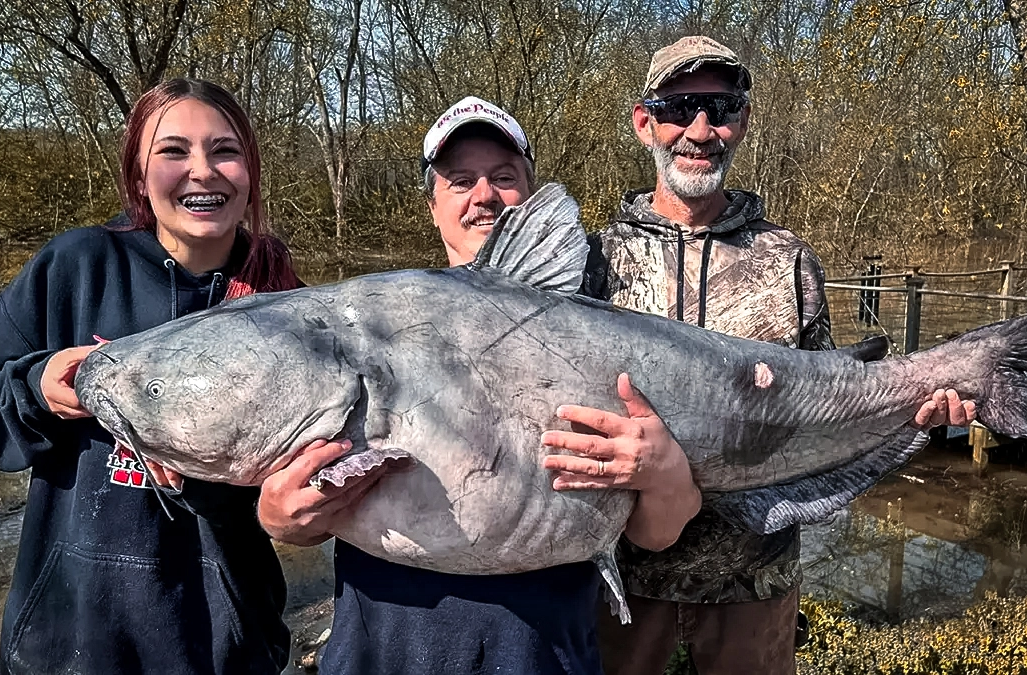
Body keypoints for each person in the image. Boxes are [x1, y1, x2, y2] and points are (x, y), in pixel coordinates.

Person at [256, 96, 701, 675]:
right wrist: (279, 519)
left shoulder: (608, 339)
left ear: (533, 193)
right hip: (381, 655)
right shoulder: (354, 337)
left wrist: (666, 472)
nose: (483, 196)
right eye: (461, 180)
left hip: (546, 657)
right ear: (433, 204)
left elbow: (655, 535)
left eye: (504, 177)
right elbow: (296, 508)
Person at [577, 37, 976, 674]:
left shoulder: (789, 262)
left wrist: (915, 414)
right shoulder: (594, 264)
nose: (702, 130)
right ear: (644, 120)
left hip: (756, 586)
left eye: (723, 108)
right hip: (623, 586)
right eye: (681, 107)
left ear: (743, 122)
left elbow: (833, 410)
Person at [0, 78, 309, 675]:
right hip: (70, 641)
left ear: (251, 172)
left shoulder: (285, 304)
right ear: (138, 175)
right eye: (172, 151)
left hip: (222, 646)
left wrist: (235, 474)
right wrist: (39, 389)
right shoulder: (77, 267)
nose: (202, 170)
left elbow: (309, 473)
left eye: (224, 150)